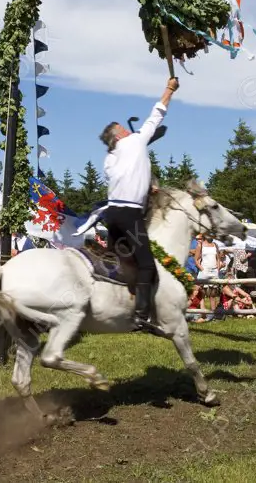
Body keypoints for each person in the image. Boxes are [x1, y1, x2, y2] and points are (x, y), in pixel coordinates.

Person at [98, 77, 178, 332]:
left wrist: (146, 185)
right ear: (119, 134)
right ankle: (141, 317)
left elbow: (125, 177)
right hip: (130, 215)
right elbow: (156, 115)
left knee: (118, 262)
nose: (127, 130)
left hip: (112, 215)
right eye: (123, 128)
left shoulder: (109, 159)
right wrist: (169, 90)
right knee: (146, 265)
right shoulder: (135, 141)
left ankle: (111, 304)